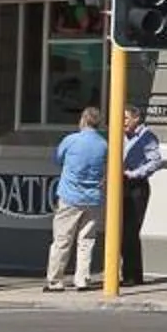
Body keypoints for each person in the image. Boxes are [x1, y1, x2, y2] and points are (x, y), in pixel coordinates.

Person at [47, 106, 106, 291]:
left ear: (83, 120)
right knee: (86, 241)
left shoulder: (71, 140)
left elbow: (58, 158)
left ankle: (55, 280)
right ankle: (82, 280)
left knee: (62, 240)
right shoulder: (104, 144)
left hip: (70, 196)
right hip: (93, 198)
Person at [119, 104, 162, 289]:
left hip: (136, 187)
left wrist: (134, 173)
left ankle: (133, 275)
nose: (123, 123)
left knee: (130, 231)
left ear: (136, 119)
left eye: (126, 118)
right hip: (120, 185)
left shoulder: (147, 137)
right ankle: (126, 273)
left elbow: (157, 161)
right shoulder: (120, 136)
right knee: (120, 231)